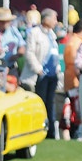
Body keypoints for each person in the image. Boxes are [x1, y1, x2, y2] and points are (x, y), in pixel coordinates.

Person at [22, 8, 61, 138]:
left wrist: (57, 68)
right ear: (46, 19)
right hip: (39, 75)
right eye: (54, 18)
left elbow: (54, 52)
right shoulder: (34, 33)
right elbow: (29, 53)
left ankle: (50, 132)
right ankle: (38, 130)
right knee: (40, 102)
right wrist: (38, 69)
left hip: (51, 75)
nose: (56, 22)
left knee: (50, 103)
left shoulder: (52, 35)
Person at [63, 19, 82, 139]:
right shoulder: (77, 43)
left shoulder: (71, 40)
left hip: (69, 79)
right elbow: (77, 65)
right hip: (75, 80)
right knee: (77, 110)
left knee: (72, 109)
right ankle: (76, 133)